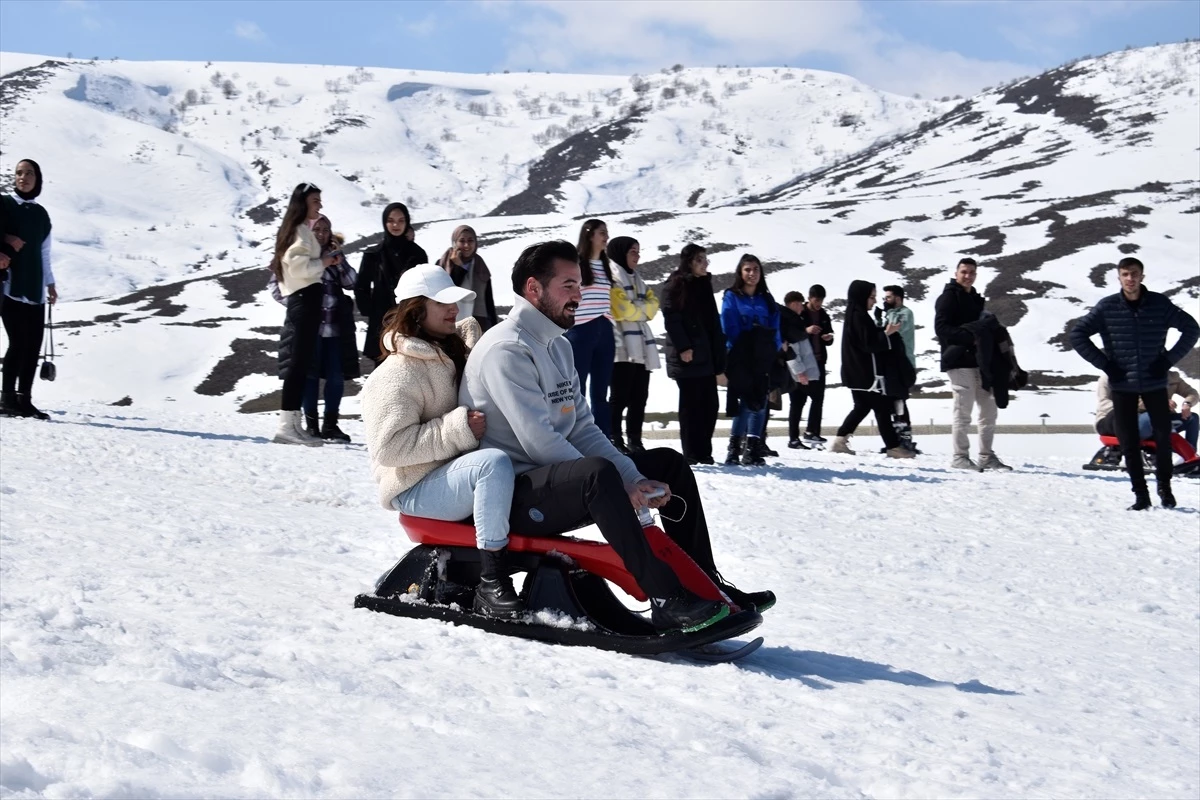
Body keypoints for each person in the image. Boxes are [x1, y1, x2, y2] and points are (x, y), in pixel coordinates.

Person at [460, 240, 774, 633]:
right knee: (596, 474)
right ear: (533, 289)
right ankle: (665, 597)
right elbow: (538, 441)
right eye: (568, 285)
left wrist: (634, 478)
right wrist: (618, 484)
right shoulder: (506, 349)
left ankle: (705, 583)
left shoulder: (557, 345)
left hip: (555, 478)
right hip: (513, 495)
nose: (579, 294)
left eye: (579, 284)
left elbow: (582, 427)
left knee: (667, 465)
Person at [361, 265, 521, 616]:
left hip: (448, 473)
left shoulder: (451, 355)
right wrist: (456, 428)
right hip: (413, 486)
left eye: (454, 302)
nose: (454, 309)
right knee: (491, 465)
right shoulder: (394, 374)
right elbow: (389, 448)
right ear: (416, 310)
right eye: (442, 303)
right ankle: (492, 581)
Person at [1070, 257, 1199, 509]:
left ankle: (1165, 488)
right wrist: (1106, 365)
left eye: (1135, 274)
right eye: (1125, 274)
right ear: (1119, 277)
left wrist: (1167, 360)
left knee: (1163, 438)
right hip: (1123, 386)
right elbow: (1078, 334)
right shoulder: (1107, 308)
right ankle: (1141, 496)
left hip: (1154, 383)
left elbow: (1191, 328)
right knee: (1129, 443)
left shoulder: (1159, 304)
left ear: (1142, 276)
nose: (1130, 279)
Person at [269, 183, 342, 445]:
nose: (319, 206)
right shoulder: (299, 231)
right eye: (315, 201)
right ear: (302, 203)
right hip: (303, 298)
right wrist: (323, 262)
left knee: (301, 363)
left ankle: (293, 423)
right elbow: (298, 266)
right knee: (298, 364)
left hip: (306, 299)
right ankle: (287, 425)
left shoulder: (300, 230)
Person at [934, 258, 1010, 471]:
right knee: (963, 412)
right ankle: (960, 457)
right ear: (956, 272)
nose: (968, 276)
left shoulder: (975, 299)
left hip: (982, 362)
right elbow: (941, 330)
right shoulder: (948, 298)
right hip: (959, 363)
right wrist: (972, 335)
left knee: (989, 410)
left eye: (972, 273)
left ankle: (986, 456)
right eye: (964, 272)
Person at [830, 280, 915, 459]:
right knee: (881, 407)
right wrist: (887, 333)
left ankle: (840, 439)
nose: (874, 301)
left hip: (857, 373)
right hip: (864, 373)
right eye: (871, 297)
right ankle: (893, 446)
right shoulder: (858, 316)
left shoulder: (855, 314)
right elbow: (868, 344)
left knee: (862, 406)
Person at [0, 159, 56, 420]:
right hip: (9, 282)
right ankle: (6, 399)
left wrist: (50, 283)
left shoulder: (42, 215)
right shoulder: (4, 204)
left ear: (38, 179)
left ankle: (25, 400)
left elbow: (44, 253)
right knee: (18, 342)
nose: (23, 177)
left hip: (34, 285)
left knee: (32, 345)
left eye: (29, 173)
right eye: (19, 173)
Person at [661, 244, 724, 465]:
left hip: (705, 355)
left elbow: (712, 323)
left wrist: (719, 357)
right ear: (689, 262)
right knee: (691, 406)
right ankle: (691, 453)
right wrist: (683, 346)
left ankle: (704, 452)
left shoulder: (704, 285)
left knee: (710, 404)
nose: (705, 263)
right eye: (700, 259)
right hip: (686, 356)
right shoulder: (676, 284)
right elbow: (672, 317)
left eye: (706, 259)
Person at [720, 255, 781, 466]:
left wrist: (773, 349)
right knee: (745, 402)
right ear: (740, 272)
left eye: (755, 269)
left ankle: (753, 448)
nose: (752, 273)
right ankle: (734, 448)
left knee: (761, 401)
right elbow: (728, 324)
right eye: (747, 269)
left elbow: (775, 327)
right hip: (741, 355)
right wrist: (744, 344)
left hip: (763, 357)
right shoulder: (732, 296)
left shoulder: (767, 299)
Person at [606, 235, 660, 454]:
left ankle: (635, 440)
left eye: (638, 252)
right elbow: (621, 309)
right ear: (620, 253)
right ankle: (615, 438)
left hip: (641, 347)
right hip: (621, 349)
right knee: (620, 397)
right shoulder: (611, 278)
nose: (637, 257)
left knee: (639, 396)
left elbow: (653, 307)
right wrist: (640, 309)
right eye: (633, 252)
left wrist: (636, 309)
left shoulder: (638, 279)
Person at [355, 202, 427, 363]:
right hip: (381, 321)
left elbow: (424, 288)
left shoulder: (417, 254)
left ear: (407, 222)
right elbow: (361, 286)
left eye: (401, 220)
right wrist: (370, 311)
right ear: (384, 222)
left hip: (410, 321)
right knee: (382, 374)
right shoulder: (373, 254)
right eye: (391, 220)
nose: (396, 225)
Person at [566, 218, 616, 437]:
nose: (606, 237)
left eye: (606, 232)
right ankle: (578, 436)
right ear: (589, 235)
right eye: (601, 232)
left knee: (601, 392)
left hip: (604, 329)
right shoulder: (576, 263)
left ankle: (604, 439)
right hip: (581, 330)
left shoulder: (606, 265)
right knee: (579, 390)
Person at [791, 285, 835, 446]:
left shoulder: (823, 314)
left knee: (818, 398)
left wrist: (828, 338)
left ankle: (813, 431)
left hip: (819, 361)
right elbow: (793, 334)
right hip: (802, 362)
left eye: (822, 301)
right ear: (809, 298)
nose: (819, 304)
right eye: (817, 300)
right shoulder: (801, 313)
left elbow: (830, 335)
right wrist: (807, 330)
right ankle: (793, 436)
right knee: (798, 400)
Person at [878, 285, 919, 453]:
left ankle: (905, 436)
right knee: (891, 400)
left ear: (898, 298)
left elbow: (895, 328)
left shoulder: (906, 313)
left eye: (888, 297)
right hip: (891, 362)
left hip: (903, 362)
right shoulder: (888, 313)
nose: (885, 301)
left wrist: (888, 314)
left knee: (900, 399)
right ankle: (896, 437)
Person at [437, 225, 498, 331]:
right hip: (451, 320)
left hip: (478, 321)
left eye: (470, 240)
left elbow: (488, 299)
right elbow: (450, 289)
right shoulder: (443, 264)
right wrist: (458, 267)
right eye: (462, 241)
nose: (467, 245)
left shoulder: (480, 264)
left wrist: (494, 325)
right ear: (454, 242)